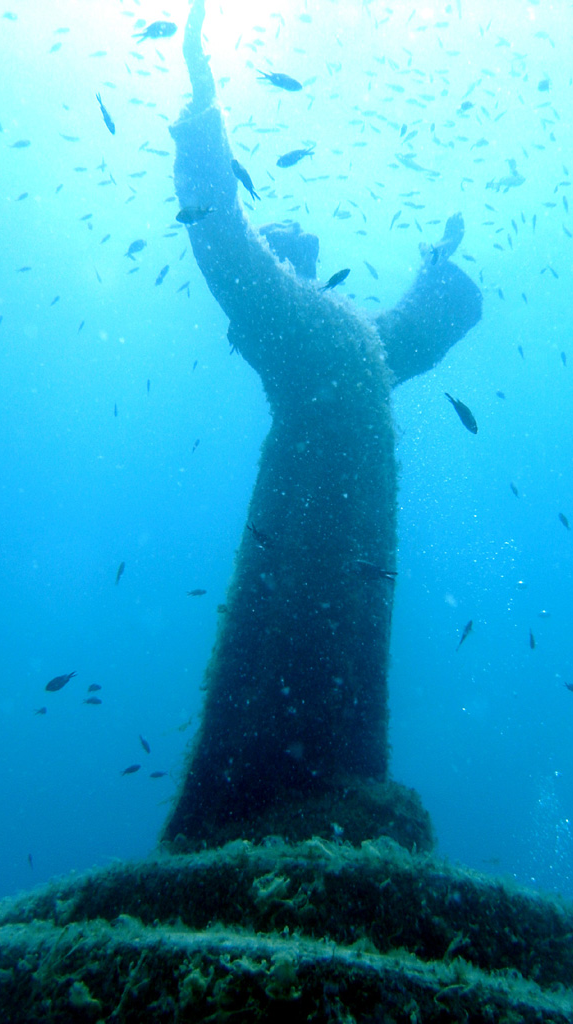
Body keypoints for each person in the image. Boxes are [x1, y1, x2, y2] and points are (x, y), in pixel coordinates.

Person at [163, 0, 482, 848]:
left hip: (344, 536)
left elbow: (426, 323)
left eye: (283, 237)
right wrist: (198, 106)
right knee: (298, 669)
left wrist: (439, 270)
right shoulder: (295, 323)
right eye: (279, 236)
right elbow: (222, 237)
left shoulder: (336, 331)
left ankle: (298, 790)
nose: (285, 234)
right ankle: (275, 799)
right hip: (327, 532)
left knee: (318, 667)